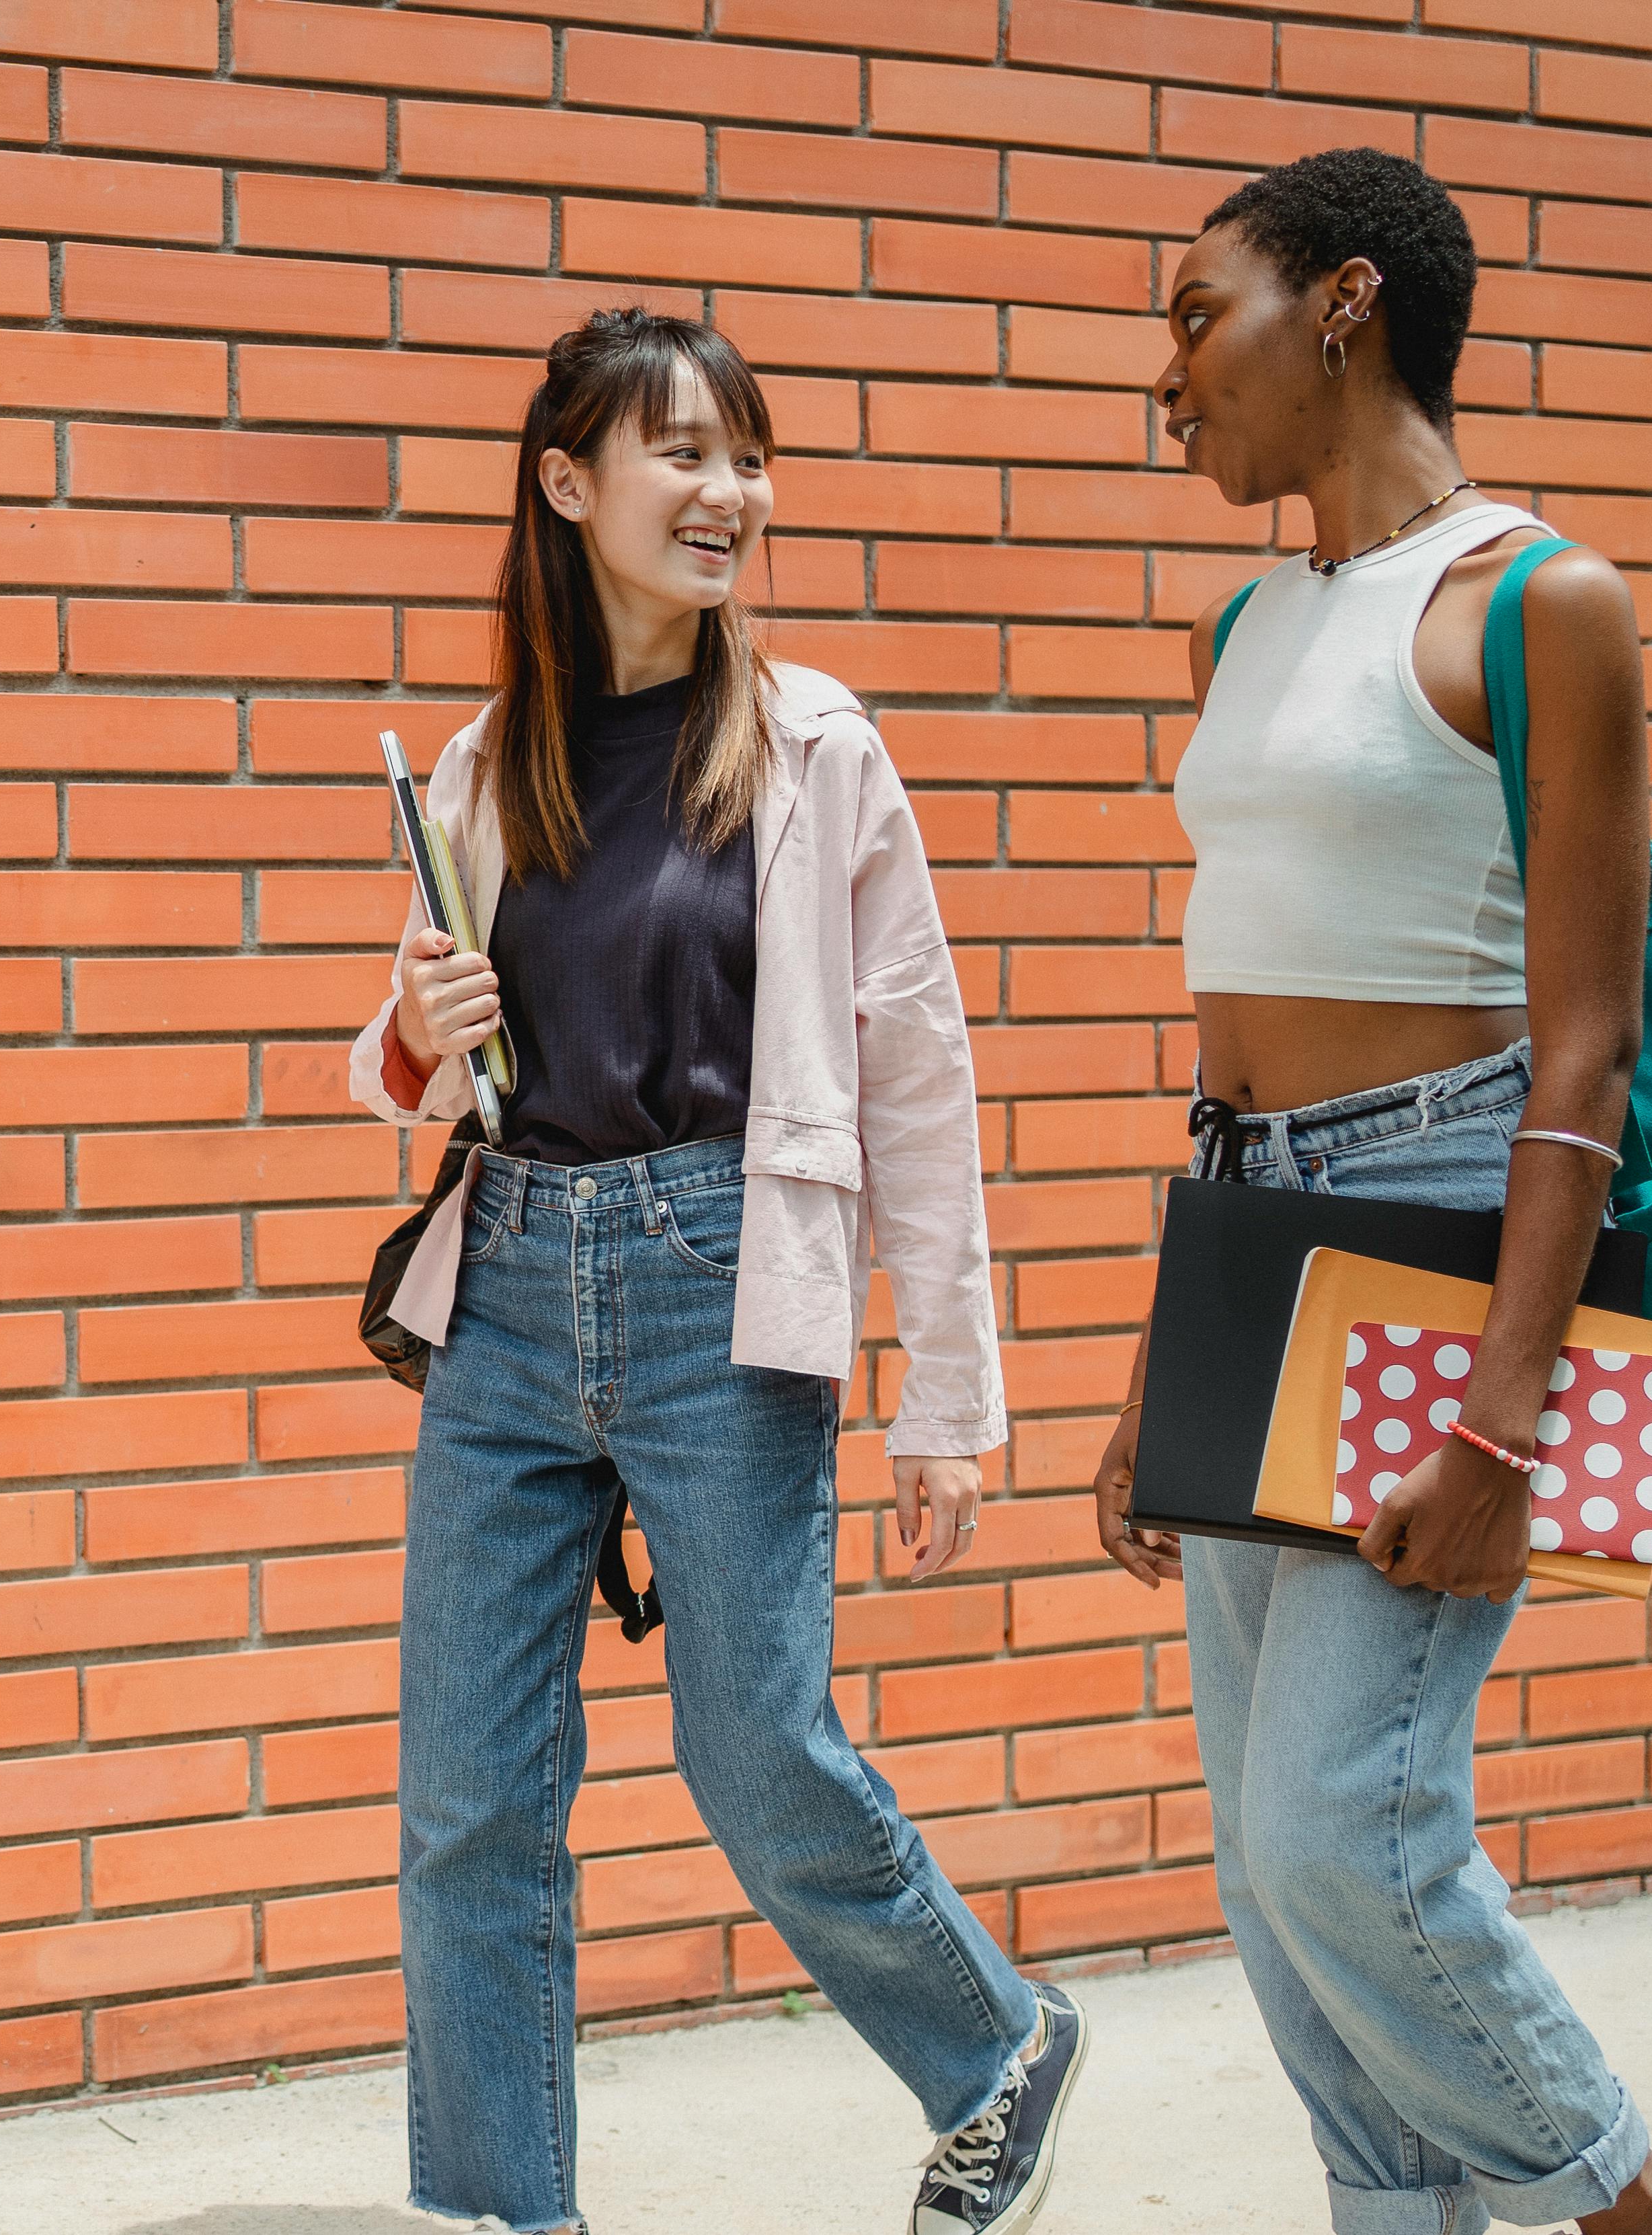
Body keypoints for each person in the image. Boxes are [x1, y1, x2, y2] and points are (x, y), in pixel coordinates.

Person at [352, 308, 1087, 2235]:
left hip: (713, 1285)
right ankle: (509, 2213)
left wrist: (951, 1396)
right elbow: (412, 1064)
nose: (726, 492)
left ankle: (993, 2045)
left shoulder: (816, 745)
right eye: (678, 454)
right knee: (468, 1812)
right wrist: (427, 1022)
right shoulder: (489, 755)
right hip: (507, 1283)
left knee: (760, 1748)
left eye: (744, 455)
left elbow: (919, 1069)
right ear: (568, 485)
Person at [1097, 148, 1652, 2235]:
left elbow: (1587, 1050)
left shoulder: (1539, 599)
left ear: (1349, 304)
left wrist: (1505, 1418)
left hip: (1443, 1225)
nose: (1171, 378)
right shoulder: (1249, 612)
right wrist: (1155, 1369)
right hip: (1249, 1223)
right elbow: (1233, 1040)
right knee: (1268, 1886)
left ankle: (1645, 2210)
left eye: (1201, 316)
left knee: (1342, 1837)